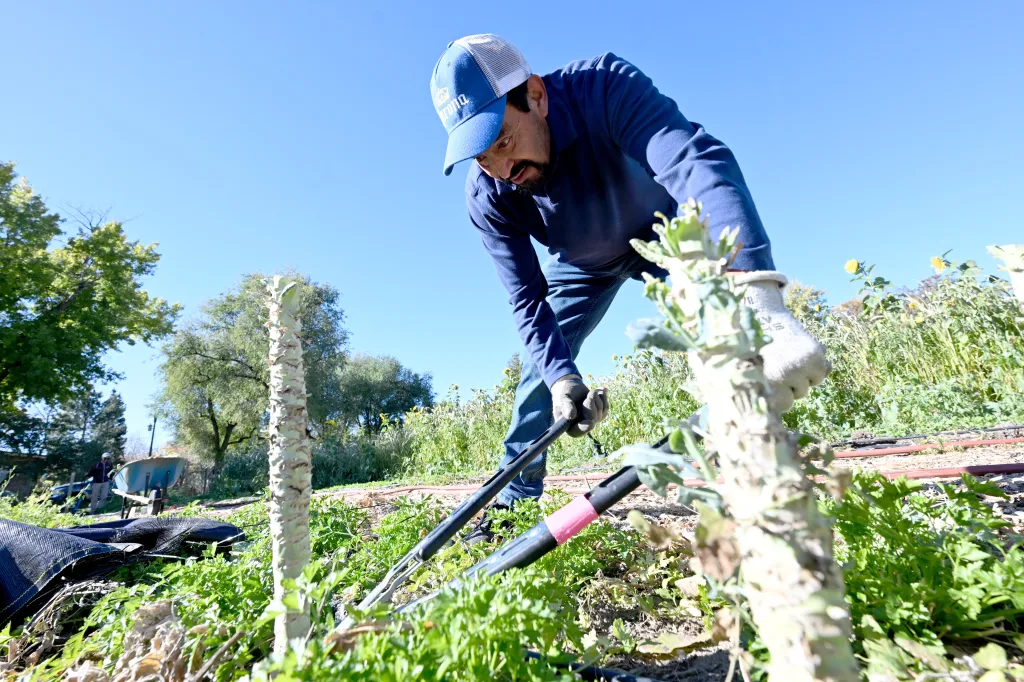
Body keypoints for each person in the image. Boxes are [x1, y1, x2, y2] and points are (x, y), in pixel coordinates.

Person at [429, 35, 830, 543]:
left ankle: (760, 454)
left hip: (665, 232)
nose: (502, 170)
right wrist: (561, 380)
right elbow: (527, 298)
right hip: (584, 266)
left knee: (727, 330)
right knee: (538, 376)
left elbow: (694, 162)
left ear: (535, 94)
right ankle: (513, 498)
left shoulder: (603, 87)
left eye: (503, 141)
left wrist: (758, 299)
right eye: (481, 157)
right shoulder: (488, 194)